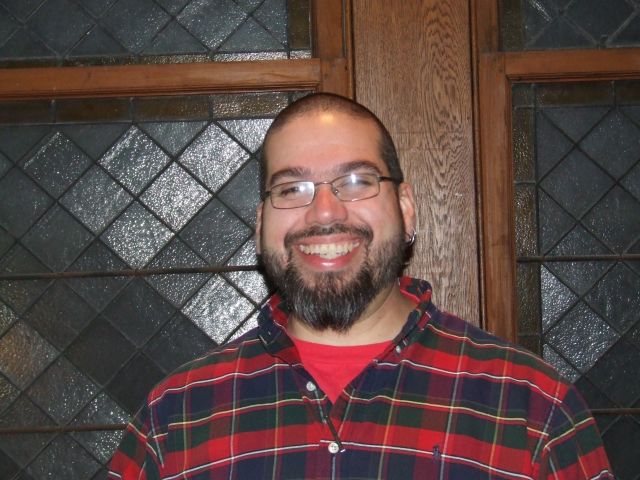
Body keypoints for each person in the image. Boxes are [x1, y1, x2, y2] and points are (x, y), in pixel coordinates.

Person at [108, 93, 613, 479]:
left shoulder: (534, 412)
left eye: (356, 181)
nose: (325, 212)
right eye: (292, 188)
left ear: (406, 209)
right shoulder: (175, 417)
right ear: (261, 224)